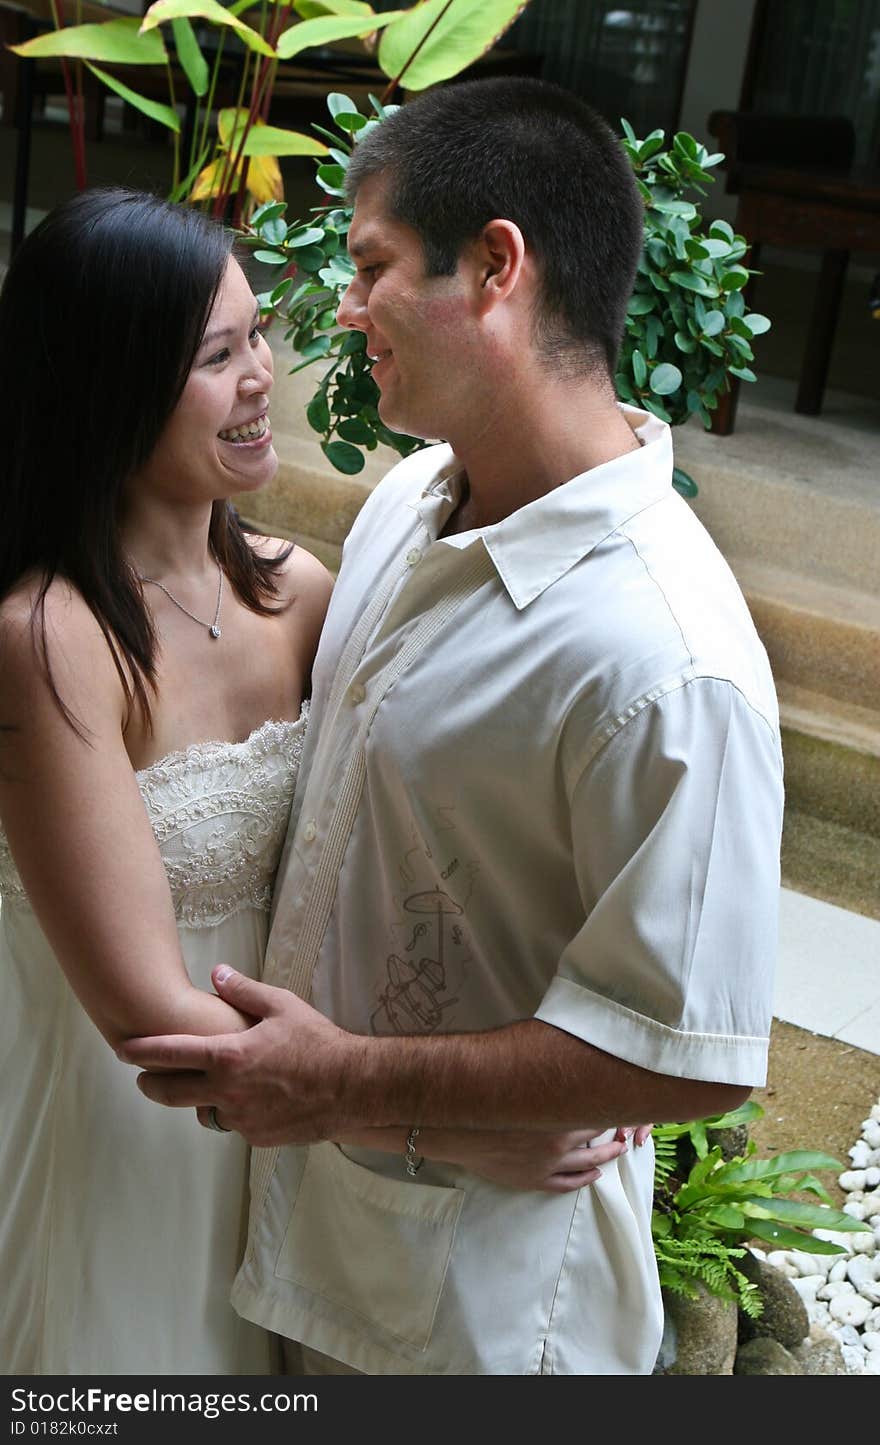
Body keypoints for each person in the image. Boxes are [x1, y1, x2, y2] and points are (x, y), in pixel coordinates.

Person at [124, 77, 786, 1377]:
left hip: (477, 1319)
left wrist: (351, 1081)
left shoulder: (668, 659)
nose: (342, 310)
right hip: (293, 1250)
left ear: (496, 266)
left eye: (370, 267)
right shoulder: (411, 498)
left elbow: (691, 1056)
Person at [0, 186, 627, 1377]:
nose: (260, 379)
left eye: (258, 339)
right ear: (108, 382)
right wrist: (449, 1126)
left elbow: (426, 833)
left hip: (295, 1134)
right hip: (128, 1140)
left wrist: (595, 1040)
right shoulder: (51, 636)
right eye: (216, 354)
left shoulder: (301, 592)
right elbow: (144, 1015)